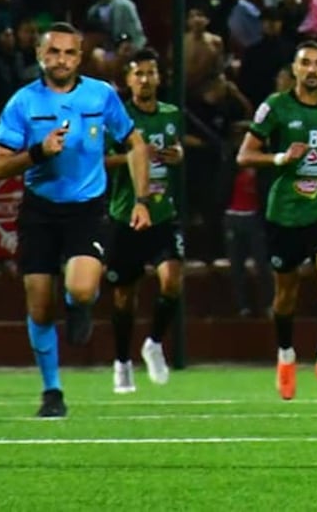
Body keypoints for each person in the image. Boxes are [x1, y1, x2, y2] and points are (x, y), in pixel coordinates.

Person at [0, 22, 152, 418]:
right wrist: (38, 152)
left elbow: (134, 143)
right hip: (40, 211)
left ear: (80, 57)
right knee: (40, 309)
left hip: (86, 209)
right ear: (39, 55)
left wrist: (142, 199)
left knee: (80, 290)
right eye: (53, 52)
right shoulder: (23, 102)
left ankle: (78, 304)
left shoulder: (101, 95)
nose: (61, 60)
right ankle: (52, 391)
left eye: (69, 53)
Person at [236, 41, 317, 400]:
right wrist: (280, 158)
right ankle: (286, 357)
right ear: (295, 69)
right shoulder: (276, 106)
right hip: (285, 212)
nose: (313, 69)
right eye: (306, 63)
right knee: (286, 294)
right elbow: (244, 155)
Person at [103, 48, 185, 393]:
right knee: (124, 296)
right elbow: (102, 161)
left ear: (159, 78)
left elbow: (177, 148)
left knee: (172, 281)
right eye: (138, 73)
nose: (145, 79)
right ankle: (122, 362)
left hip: (163, 214)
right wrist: (134, 156)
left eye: (151, 73)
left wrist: (176, 154)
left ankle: (153, 343)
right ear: (128, 79)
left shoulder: (171, 114)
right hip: (126, 216)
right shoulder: (118, 119)